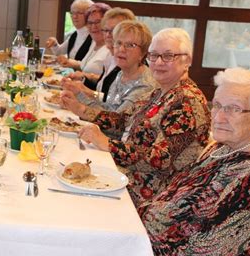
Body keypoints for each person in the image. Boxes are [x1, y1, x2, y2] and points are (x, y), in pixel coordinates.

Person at [139, 67, 250, 256]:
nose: (218, 117)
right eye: (217, 105)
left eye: (234, 109)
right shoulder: (222, 147)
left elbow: (207, 251)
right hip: (141, 235)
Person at [79, 28, 211, 205]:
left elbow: (160, 160)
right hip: (128, 174)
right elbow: (124, 121)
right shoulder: (161, 91)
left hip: (152, 193)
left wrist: (108, 144)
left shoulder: (187, 101)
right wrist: (83, 111)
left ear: (187, 60)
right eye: (154, 55)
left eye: (168, 56)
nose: (158, 62)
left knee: (76, 190)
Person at [62, 20, 156, 122]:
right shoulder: (121, 74)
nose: (121, 49)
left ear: (143, 52)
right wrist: (78, 94)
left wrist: (80, 108)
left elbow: (117, 123)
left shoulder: (145, 85)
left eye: (130, 45)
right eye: (118, 43)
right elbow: (107, 109)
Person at [67, 7, 136, 94]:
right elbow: (102, 88)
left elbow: (112, 103)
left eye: (114, 30)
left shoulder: (126, 62)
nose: (107, 35)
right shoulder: (110, 57)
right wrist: (83, 81)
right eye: (106, 30)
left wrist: (85, 91)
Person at [58, 3, 112, 75]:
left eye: (98, 22)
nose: (93, 26)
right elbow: (85, 66)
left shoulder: (111, 49)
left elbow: (107, 82)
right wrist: (70, 62)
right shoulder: (94, 43)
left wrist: (84, 77)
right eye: (90, 22)